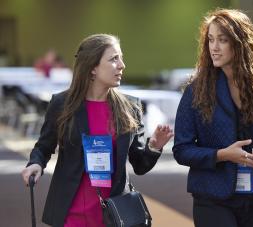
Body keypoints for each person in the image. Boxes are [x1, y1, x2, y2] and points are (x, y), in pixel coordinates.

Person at [22, 34, 174, 227]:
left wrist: (154, 147)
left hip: (114, 214)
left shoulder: (131, 107)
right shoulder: (62, 104)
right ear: (92, 67)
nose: (122, 65)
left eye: (121, 58)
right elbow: (44, 146)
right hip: (71, 212)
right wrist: (36, 163)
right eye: (113, 59)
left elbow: (139, 165)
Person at [172, 9, 253, 227]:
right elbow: (181, 149)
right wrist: (223, 155)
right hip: (212, 197)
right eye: (210, 40)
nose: (214, 47)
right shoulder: (197, 88)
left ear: (240, 43)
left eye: (222, 40)